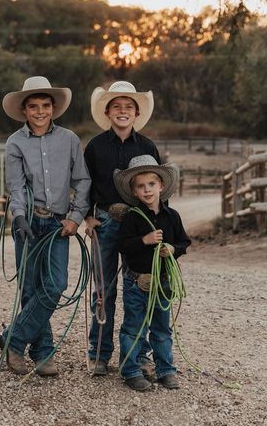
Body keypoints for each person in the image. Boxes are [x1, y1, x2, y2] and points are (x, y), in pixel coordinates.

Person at [0, 76, 91, 377]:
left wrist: (75, 217)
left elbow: (82, 181)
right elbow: (15, 186)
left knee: (55, 284)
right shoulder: (15, 143)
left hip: (57, 223)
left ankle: (14, 338)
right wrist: (19, 216)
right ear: (25, 110)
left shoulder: (69, 140)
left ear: (53, 108)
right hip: (28, 219)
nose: (40, 111)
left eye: (45, 105)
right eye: (33, 106)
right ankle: (43, 351)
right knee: (30, 288)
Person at [84, 81, 160, 376]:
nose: (123, 111)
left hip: (137, 224)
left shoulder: (147, 147)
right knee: (103, 289)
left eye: (128, 107)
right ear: (107, 111)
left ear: (137, 112)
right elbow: (85, 183)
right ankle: (99, 353)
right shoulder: (95, 146)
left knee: (138, 286)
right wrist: (88, 218)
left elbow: (157, 189)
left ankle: (138, 354)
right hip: (104, 221)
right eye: (116, 106)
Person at [114, 154, 191, 391]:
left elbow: (184, 242)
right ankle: (131, 370)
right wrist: (145, 240)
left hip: (163, 282)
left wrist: (173, 248)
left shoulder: (172, 217)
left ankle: (166, 369)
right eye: (140, 186)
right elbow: (123, 246)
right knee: (134, 327)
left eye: (151, 184)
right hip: (137, 281)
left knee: (161, 327)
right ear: (134, 192)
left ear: (161, 186)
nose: (147, 190)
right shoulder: (131, 218)